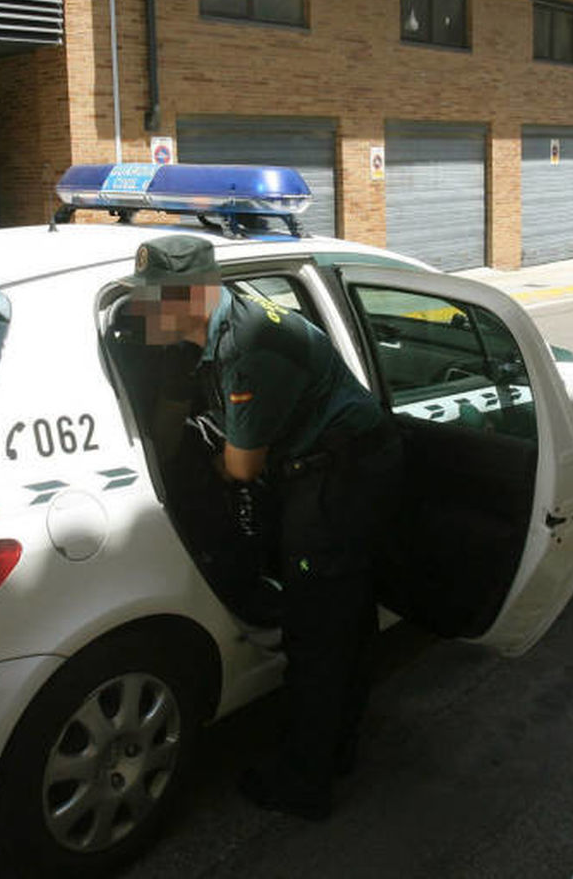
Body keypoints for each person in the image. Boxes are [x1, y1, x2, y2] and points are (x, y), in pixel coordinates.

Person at [124, 233, 404, 819]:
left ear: (197, 295)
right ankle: (338, 747)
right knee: (344, 618)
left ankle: (306, 781)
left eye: (157, 299)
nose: (146, 311)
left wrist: (203, 462)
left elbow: (241, 465)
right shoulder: (208, 328)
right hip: (325, 467)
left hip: (341, 477)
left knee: (319, 629)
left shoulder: (250, 344)